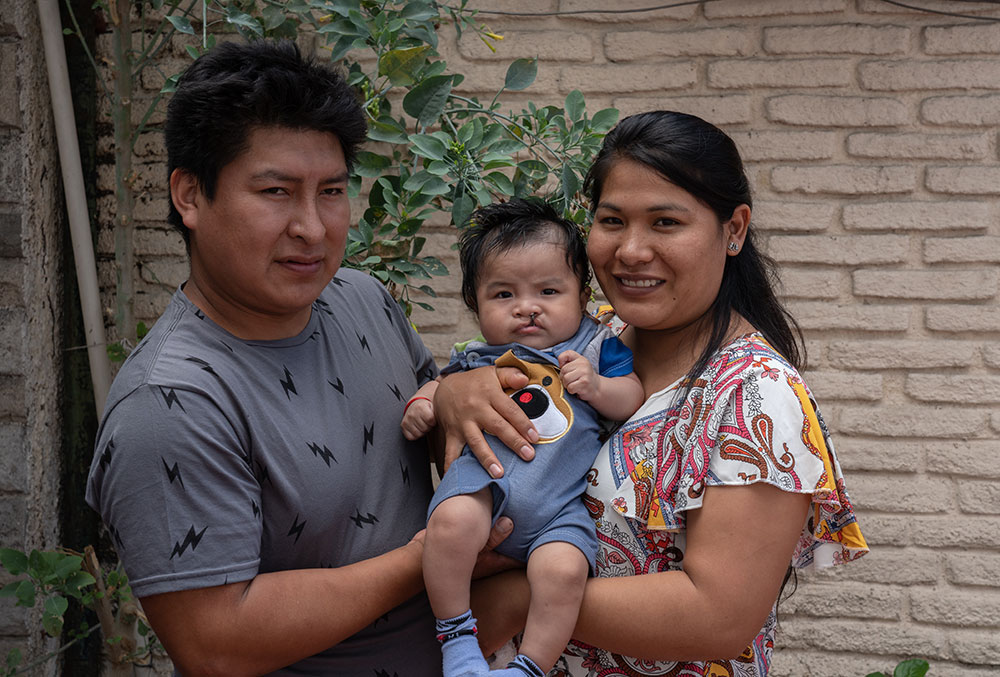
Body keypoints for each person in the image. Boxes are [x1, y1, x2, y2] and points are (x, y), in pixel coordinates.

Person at [84, 39, 513, 676]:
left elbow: (430, 426)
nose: (312, 228)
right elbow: (217, 642)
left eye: (332, 191)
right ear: (190, 196)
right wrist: (434, 557)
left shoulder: (360, 298)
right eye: (277, 191)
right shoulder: (172, 403)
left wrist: (451, 395)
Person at [434, 111, 869, 676]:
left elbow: (719, 615)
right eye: (612, 220)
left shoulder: (754, 397)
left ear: (733, 229)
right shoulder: (595, 337)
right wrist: (454, 394)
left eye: (665, 222)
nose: (631, 250)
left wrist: (518, 598)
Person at [401, 199, 644, 677]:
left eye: (549, 290)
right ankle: (456, 638)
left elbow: (633, 395)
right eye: (503, 294)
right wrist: (423, 404)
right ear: (475, 303)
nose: (527, 307)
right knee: (447, 527)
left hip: (560, 507)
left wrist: (597, 387)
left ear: (581, 294)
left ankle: (530, 666)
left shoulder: (596, 345)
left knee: (565, 572)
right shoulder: (479, 356)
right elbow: (442, 386)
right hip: (484, 488)